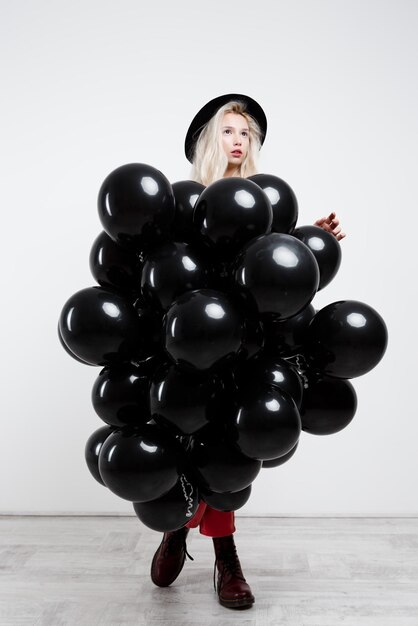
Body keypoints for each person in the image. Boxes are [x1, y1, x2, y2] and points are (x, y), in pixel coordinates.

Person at [150, 94, 346, 610]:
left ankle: (226, 555)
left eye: (247, 135)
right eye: (230, 131)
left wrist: (314, 239)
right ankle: (175, 528)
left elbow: (282, 268)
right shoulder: (184, 200)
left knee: (229, 452)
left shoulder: (265, 201)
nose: (238, 141)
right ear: (210, 140)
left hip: (247, 349)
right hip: (189, 346)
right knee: (185, 441)